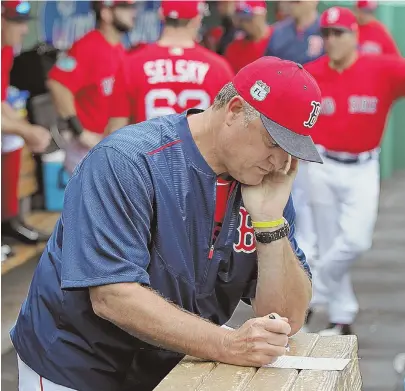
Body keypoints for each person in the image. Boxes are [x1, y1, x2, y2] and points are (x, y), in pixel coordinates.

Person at [11, 56, 323, 391]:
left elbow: (286, 319)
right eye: (274, 142)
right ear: (234, 112)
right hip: (76, 363)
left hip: (172, 365)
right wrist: (226, 344)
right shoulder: (127, 160)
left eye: (291, 149)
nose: (281, 161)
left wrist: (271, 224)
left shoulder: (263, 178)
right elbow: (113, 295)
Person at [304, 6, 405, 336]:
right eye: (326, 33)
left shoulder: (383, 68)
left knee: (355, 241)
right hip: (321, 163)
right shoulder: (311, 72)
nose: (331, 39)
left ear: (355, 35)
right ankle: (341, 316)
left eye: (339, 33)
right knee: (328, 237)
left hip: (363, 166)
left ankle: (310, 287)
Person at [105, 0, 234, 134]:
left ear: (161, 15)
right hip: (197, 154)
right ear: (197, 18)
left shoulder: (131, 64)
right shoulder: (219, 68)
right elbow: (230, 130)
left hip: (147, 153)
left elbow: (116, 130)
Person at [264, 0, 324, 271]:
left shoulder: (327, 29)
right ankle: (302, 268)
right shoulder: (278, 32)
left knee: (322, 214)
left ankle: (313, 273)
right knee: (295, 205)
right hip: (285, 125)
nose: (291, 4)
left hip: (319, 125)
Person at [47, 0, 136, 174]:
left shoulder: (119, 47)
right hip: (87, 149)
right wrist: (80, 131)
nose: (133, 13)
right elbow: (57, 83)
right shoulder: (87, 45)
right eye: (125, 7)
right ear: (106, 13)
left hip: (107, 146)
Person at [1, 0, 51, 251]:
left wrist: (27, 129)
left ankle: (7, 220)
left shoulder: (6, 50)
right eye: (16, 22)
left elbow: (1, 104)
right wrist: (26, 129)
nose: (23, 30)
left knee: (13, 138)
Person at [224, 1, 273, 74]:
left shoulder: (278, 39)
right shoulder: (234, 48)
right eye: (241, 19)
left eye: (248, 19)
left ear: (262, 15)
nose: (244, 24)